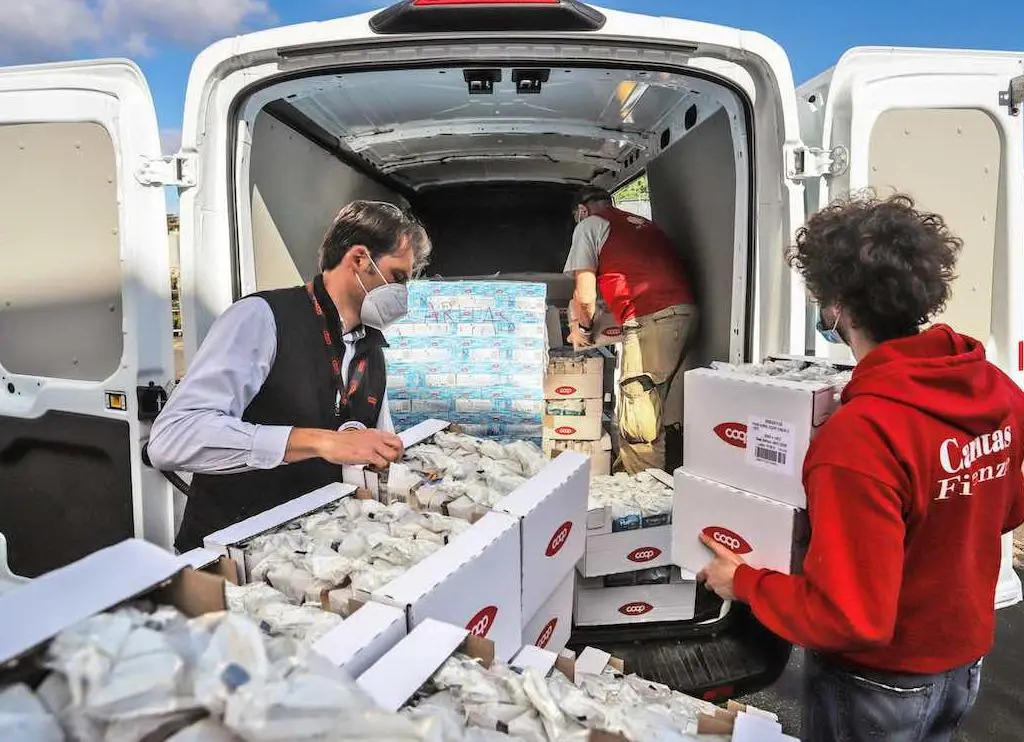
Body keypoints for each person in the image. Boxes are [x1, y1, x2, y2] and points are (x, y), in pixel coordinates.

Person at [697, 193, 1024, 742]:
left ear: (837, 309)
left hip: (883, 681)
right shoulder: (994, 389)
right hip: (963, 660)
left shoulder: (861, 434)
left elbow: (850, 617)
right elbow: (1005, 508)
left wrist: (746, 581)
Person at [148, 200, 431, 551]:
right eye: (397, 278)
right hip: (232, 556)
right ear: (359, 260)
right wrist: (320, 441)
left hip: (314, 557)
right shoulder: (261, 318)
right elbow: (172, 439)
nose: (402, 295)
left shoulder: (372, 351)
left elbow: (373, 447)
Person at [562, 187, 696, 474]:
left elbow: (584, 295)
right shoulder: (639, 224)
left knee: (638, 408)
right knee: (650, 399)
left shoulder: (589, 226)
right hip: (681, 313)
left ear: (582, 211)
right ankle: (627, 470)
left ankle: (643, 496)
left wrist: (582, 329)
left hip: (653, 319)